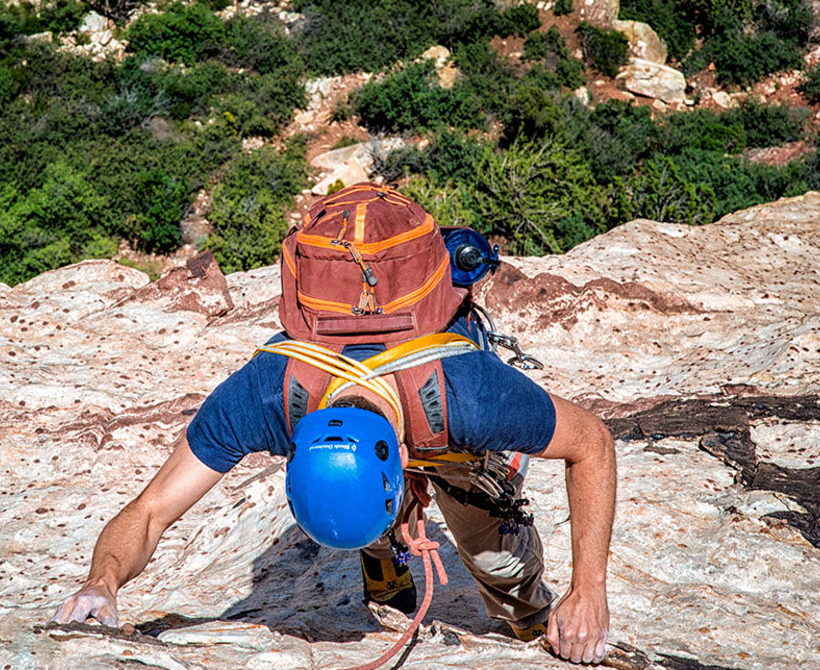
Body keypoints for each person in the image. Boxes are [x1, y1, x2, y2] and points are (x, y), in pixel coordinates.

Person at [53, 186, 616, 666]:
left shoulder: (468, 393)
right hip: (397, 429)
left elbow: (592, 443)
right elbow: (150, 512)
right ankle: (384, 556)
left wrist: (588, 590)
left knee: (498, 561)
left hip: (445, 430)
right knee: (360, 510)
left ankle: (528, 612)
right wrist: (100, 583)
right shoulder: (266, 395)